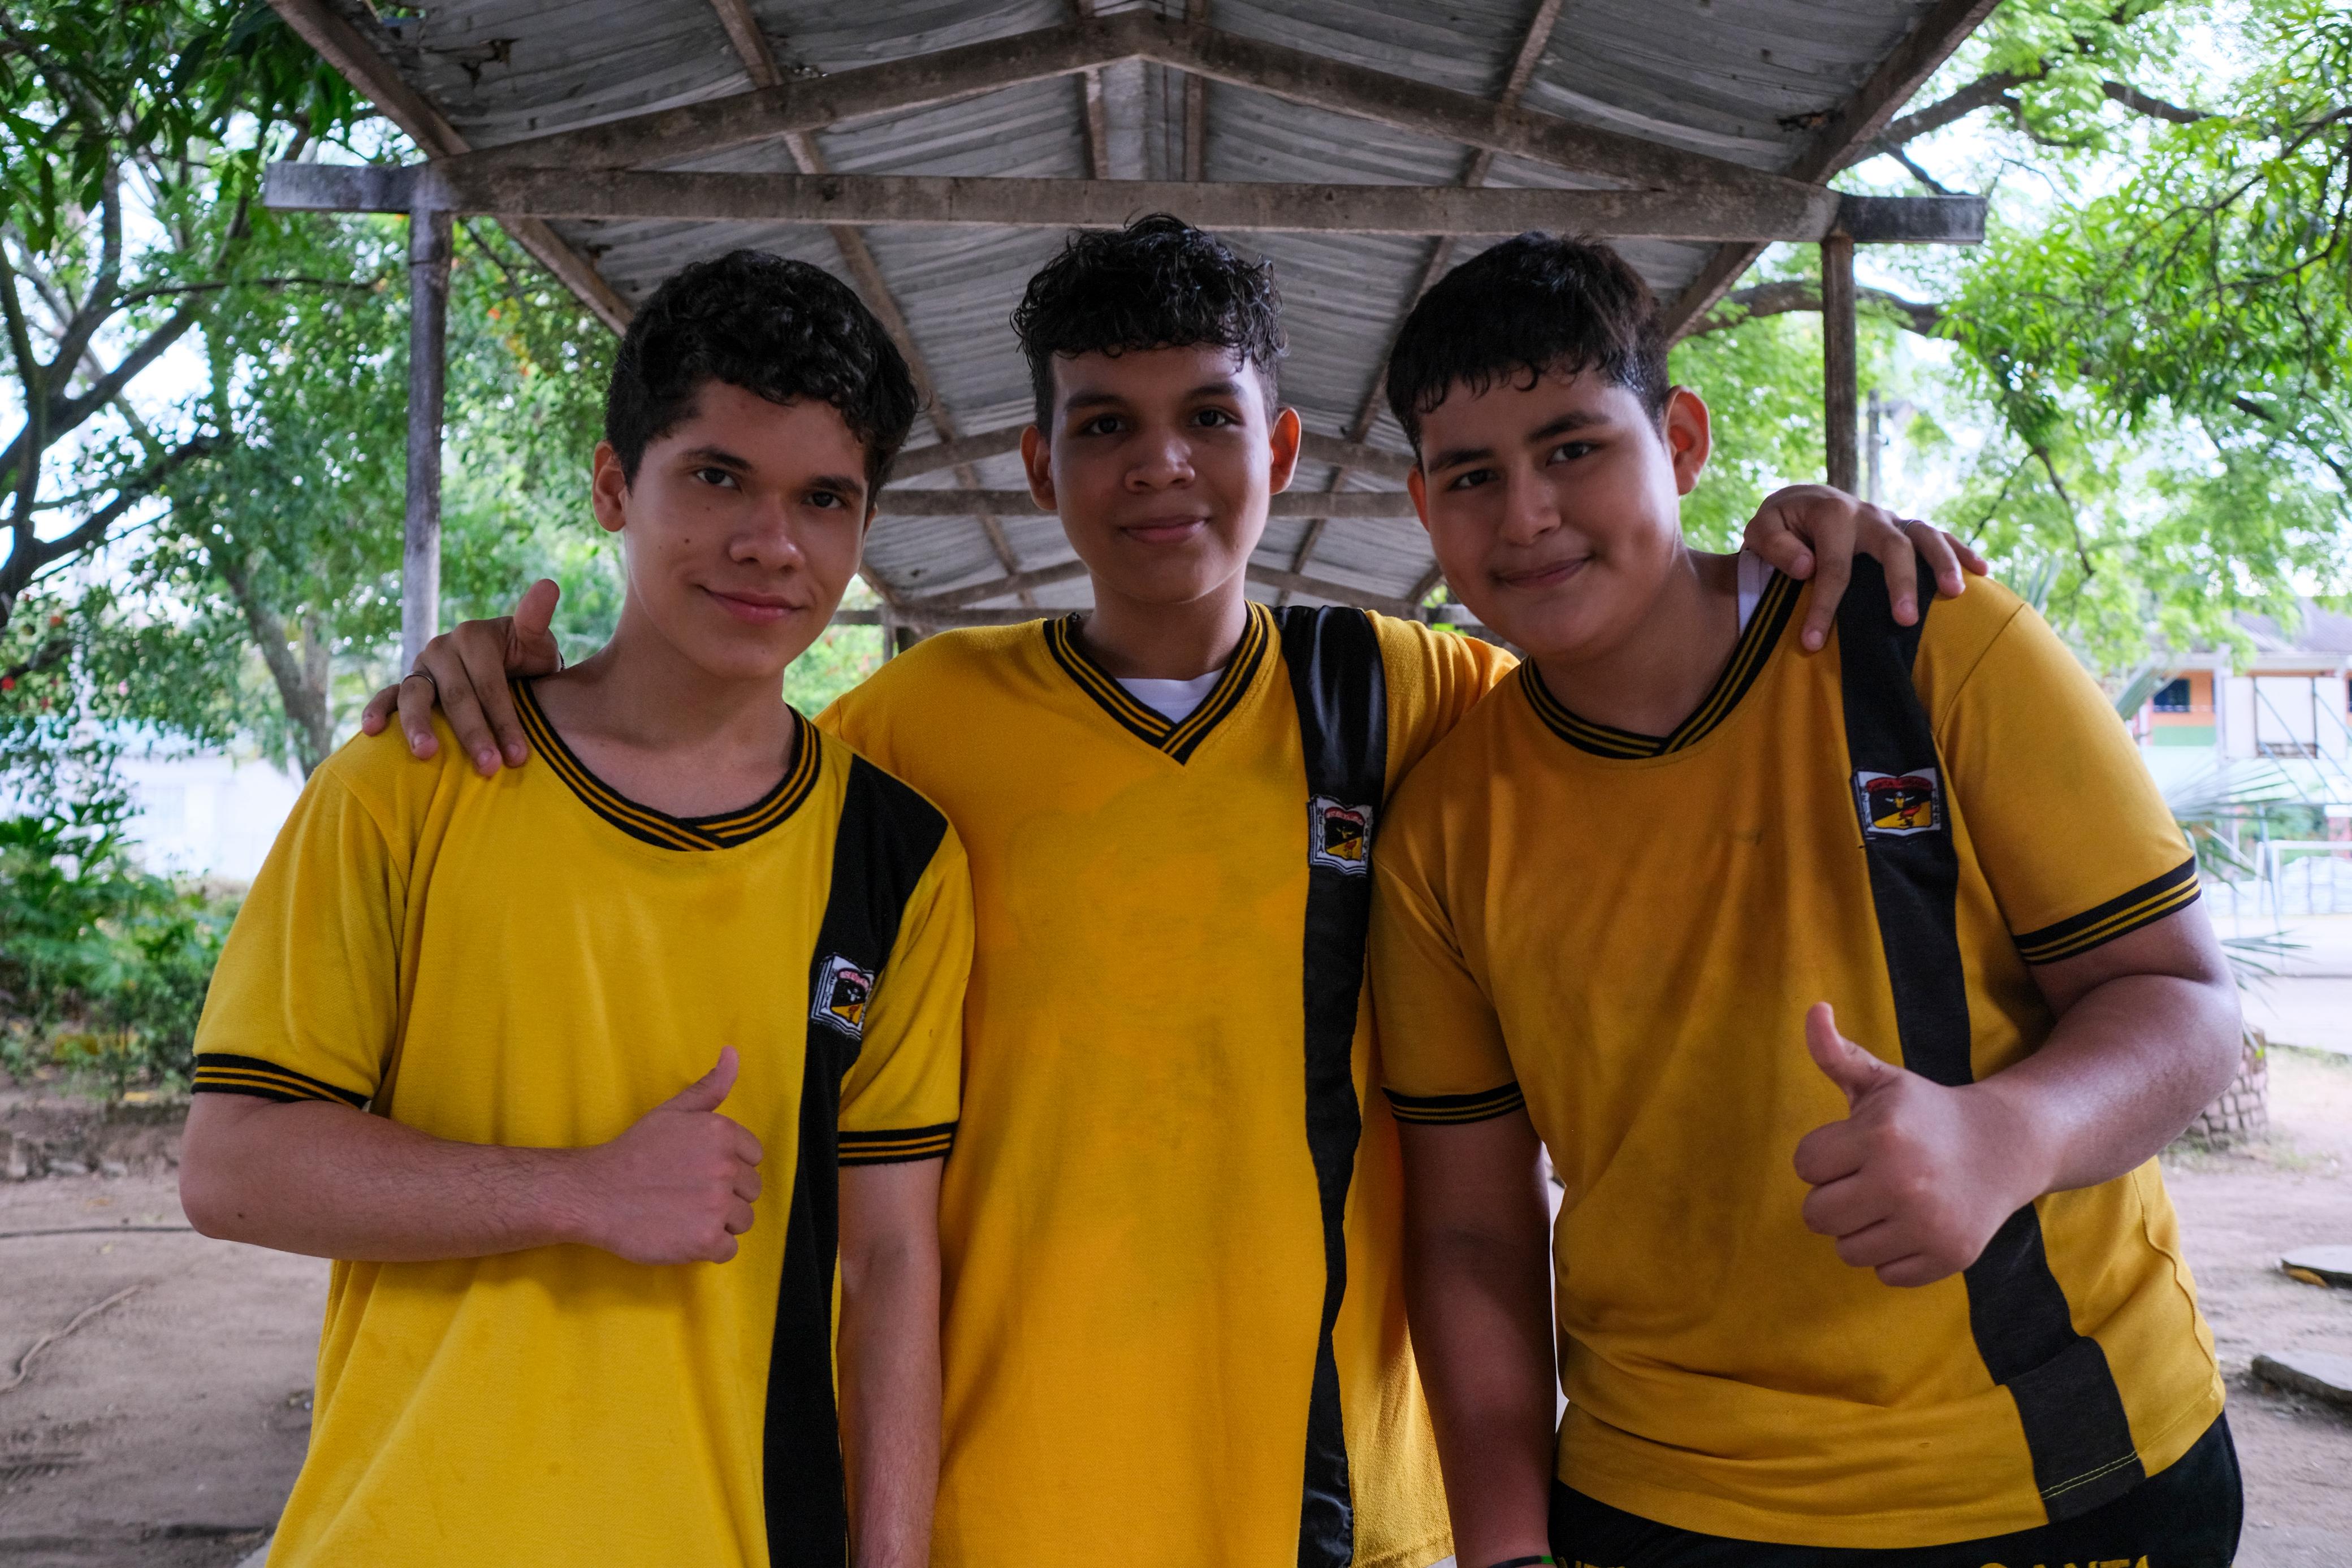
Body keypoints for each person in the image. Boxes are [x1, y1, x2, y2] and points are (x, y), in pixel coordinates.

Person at [367, 216, 1979, 1568]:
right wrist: (500, 672)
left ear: (1278, 445)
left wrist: (1801, 542)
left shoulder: (1418, 700)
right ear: (1037, 462)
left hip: (1348, 1502)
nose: (1162, 467)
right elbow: (690, 766)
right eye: (1104, 424)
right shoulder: (903, 734)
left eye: (1209, 415)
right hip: (1000, 1498)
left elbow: (1639, 671)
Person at [1368, 232, 2244, 1568]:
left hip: (2056, 1472)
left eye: (1572, 448)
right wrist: (1502, 1543)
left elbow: (2183, 1007)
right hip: (1659, 1503)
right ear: (1425, 513)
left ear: (1680, 436)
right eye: (1471, 476)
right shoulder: (1441, 827)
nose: (1526, 514)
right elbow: (1477, 1229)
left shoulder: (1928, 636)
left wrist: (2008, 1132)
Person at [177, 251, 974, 1568]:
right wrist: (578, 1190)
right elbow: (234, 1168)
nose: (771, 542)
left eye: (822, 499)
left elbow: (890, 1268)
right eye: (717, 476)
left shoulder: (896, 859)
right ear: (614, 484)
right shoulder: (408, 783)